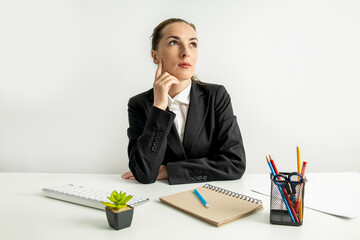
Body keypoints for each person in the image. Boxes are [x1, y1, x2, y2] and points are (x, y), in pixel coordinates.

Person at [121, 18, 246, 185]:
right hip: (159, 200)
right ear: (155, 55)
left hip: (209, 196)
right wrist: (159, 107)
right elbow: (144, 173)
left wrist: (169, 170)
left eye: (192, 44)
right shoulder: (139, 104)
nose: (186, 52)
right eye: (174, 42)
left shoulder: (216, 96)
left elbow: (234, 164)